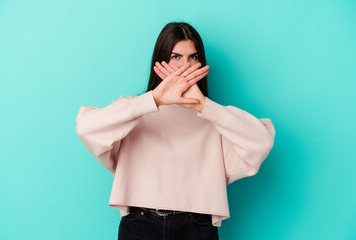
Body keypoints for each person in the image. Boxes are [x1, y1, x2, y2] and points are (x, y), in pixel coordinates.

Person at [75, 22, 276, 240]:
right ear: (160, 60)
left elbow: (262, 141)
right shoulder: (133, 109)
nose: (185, 66)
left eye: (193, 57)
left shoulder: (214, 117)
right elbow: (87, 128)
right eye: (175, 56)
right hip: (139, 223)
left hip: (197, 227)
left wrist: (203, 105)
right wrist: (154, 100)